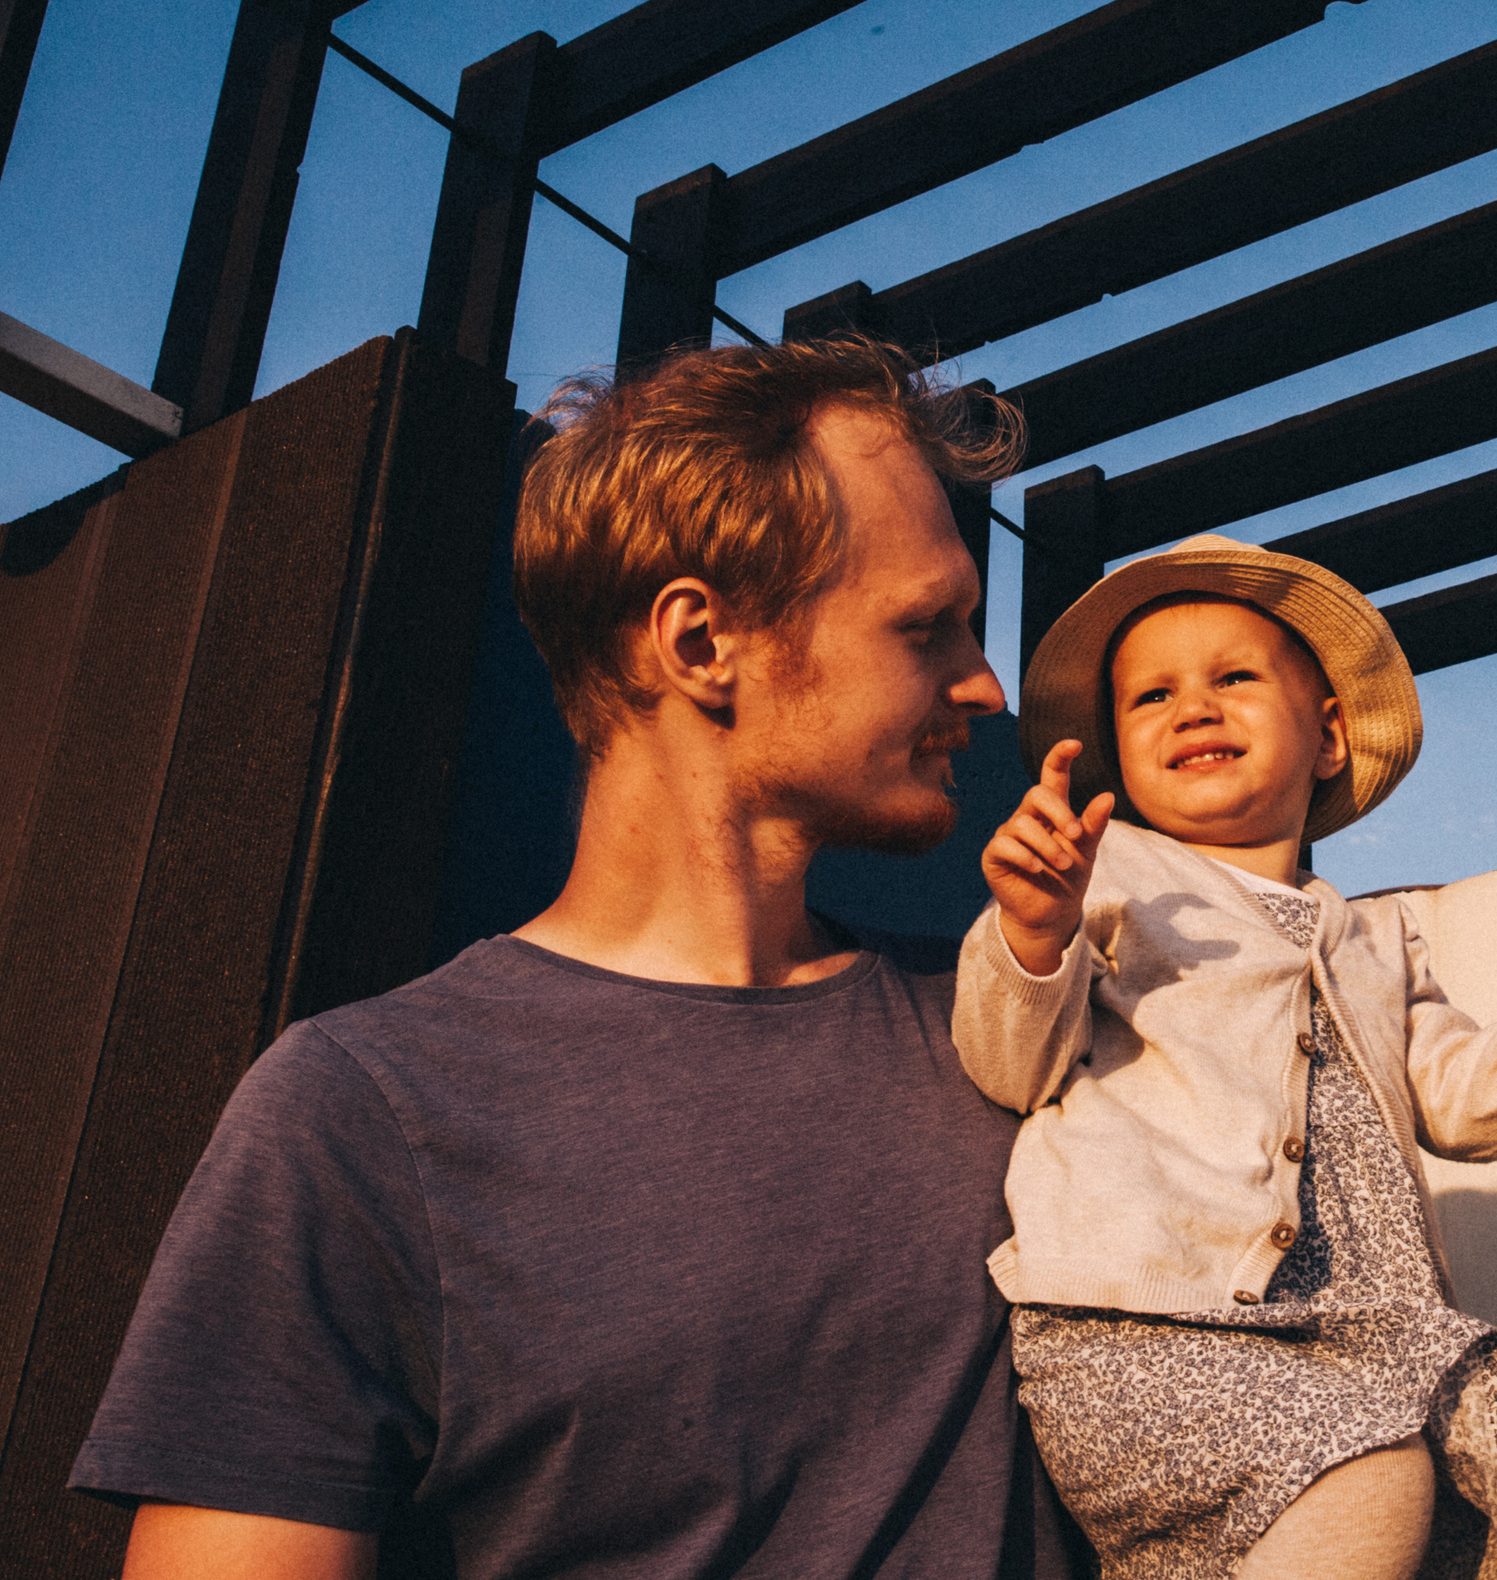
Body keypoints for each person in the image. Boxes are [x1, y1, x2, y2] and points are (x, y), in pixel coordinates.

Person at [73, 338, 1081, 1579]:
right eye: (928, 626)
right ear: (701, 643)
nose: (984, 686)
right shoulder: (365, 1114)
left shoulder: (1011, 1033)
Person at [954, 537, 1497, 1580]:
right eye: (1151, 698)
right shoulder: (1106, 879)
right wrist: (1031, 932)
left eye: (1233, 678)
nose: (1193, 707)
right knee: (1365, 1475)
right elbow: (1010, 1062)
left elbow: (1462, 1102)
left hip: (1371, 1337)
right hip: (1151, 1330)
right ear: (1114, 755)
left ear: (1327, 737)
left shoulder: (1374, 935)